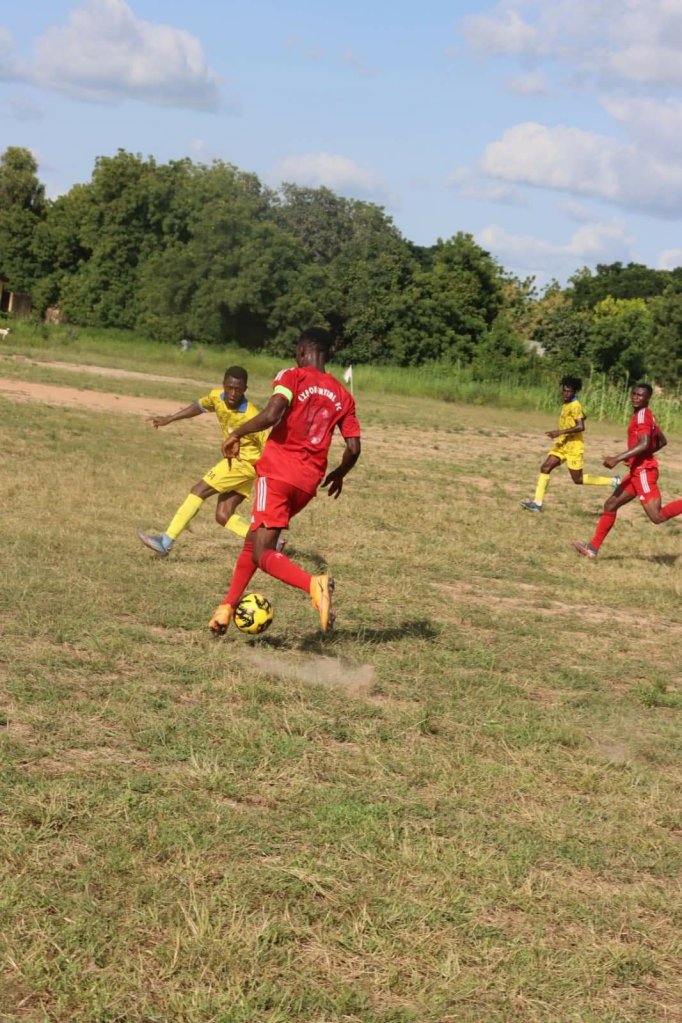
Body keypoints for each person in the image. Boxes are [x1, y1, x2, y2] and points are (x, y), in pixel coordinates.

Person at [208, 327, 361, 635]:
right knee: (255, 539)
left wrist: (237, 433)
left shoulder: (292, 376)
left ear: (302, 351)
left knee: (263, 553)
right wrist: (339, 473)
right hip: (307, 483)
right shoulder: (344, 395)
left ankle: (314, 585)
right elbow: (354, 448)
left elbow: (273, 413)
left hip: (277, 473)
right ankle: (226, 608)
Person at [138, 366, 268, 557]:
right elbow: (199, 406)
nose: (233, 393)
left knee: (199, 490)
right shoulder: (216, 397)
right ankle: (269, 541)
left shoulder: (252, 416)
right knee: (223, 515)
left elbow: (269, 446)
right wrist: (170, 418)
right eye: (229, 388)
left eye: (238, 389)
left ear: (245, 389)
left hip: (244, 464)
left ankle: (166, 541)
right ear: (223, 385)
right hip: (241, 466)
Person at [573, 382, 682, 558]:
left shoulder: (643, 416)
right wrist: (634, 458)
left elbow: (645, 443)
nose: (635, 397)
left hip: (644, 473)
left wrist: (617, 458)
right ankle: (592, 549)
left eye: (640, 395)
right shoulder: (644, 415)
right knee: (610, 505)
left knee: (657, 517)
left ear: (648, 398)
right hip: (636, 472)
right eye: (634, 394)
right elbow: (662, 441)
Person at [521, 375, 619, 512]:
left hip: (573, 447)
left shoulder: (575, 405)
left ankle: (613, 481)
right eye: (564, 390)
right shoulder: (568, 404)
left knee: (578, 479)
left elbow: (581, 427)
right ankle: (537, 503)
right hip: (562, 445)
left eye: (569, 391)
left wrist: (560, 432)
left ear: (574, 392)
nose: (566, 393)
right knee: (545, 468)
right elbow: (582, 417)